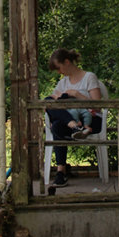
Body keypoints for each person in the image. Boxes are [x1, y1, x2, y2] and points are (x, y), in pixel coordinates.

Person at [46, 48, 104, 187]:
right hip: (73, 121)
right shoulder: (62, 83)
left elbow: (98, 106)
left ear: (67, 62)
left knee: (58, 125)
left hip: (91, 120)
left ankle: (75, 126)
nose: (59, 72)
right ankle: (61, 171)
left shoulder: (89, 77)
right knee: (51, 106)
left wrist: (77, 95)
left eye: (59, 68)